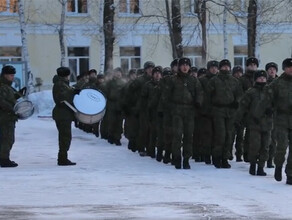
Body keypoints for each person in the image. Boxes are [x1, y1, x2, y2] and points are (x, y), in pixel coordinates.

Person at [253, 58, 292, 185]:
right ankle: (279, 166)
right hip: (281, 118)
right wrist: (258, 114)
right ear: (284, 68)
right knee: (282, 146)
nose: (291, 69)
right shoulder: (277, 83)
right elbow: (265, 100)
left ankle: (290, 174)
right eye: (288, 67)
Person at [162, 57, 203, 169]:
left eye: (187, 65)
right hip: (176, 111)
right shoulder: (172, 80)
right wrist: (169, 108)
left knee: (189, 136)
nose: (185, 67)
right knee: (177, 135)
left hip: (190, 111)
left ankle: (186, 158)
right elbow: (166, 95)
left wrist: (198, 102)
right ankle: (177, 157)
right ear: (179, 67)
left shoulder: (194, 80)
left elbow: (199, 93)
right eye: (183, 65)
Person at [235, 70, 272, 176]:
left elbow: (276, 103)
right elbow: (243, 106)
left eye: (264, 78)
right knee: (255, 145)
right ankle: (253, 164)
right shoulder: (251, 92)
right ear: (255, 79)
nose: (262, 79)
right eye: (260, 78)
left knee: (265, 146)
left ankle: (261, 166)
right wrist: (238, 119)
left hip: (267, 123)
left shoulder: (270, 91)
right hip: (254, 122)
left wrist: (272, 110)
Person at [207, 59, 242, 168]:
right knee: (220, 135)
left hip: (230, 111)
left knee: (229, 135)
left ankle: (225, 157)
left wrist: (237, 102)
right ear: (220, 68)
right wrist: (210, 109)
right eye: (223, 66)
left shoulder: (234, 81)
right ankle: (217, 156)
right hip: (218, 110)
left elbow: (239, 94)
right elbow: (208, 95)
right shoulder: (214, 81)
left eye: (227, 66)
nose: (226, 68)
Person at [52, 67, 79, 166]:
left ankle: (63, 157)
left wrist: (74, 91)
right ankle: (62, 159)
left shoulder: (62, 84)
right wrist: (73, 93)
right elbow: (62, 98)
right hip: (62, 114)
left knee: (65, 137)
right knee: (65, 137)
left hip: (63, 114)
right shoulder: (60, 84)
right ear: (66, 75)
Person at [0, 65, 26, 167]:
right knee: (7, 139)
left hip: (7, 116)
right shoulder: (2, 86)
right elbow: (2, 102)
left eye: (13, 75)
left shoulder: (7, 86)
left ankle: (3, 158)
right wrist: (14, 110)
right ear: (5, 75)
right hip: (5, 117)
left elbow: (9, 99)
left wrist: (17, 94)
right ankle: (4, 159)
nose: (12, 77)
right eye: (11, 75)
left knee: (6, 138)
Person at [196, 60, 219, 164]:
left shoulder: (220, 80)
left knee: (217, 134)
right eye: (212, 67)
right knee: (206, 134)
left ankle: (215, 154)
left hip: (218, 111)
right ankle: (205, 154)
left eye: (215, 67)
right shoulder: (202, 80)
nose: (214, 69)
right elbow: (199, 94)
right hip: (205, 112)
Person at [265, 62, 278, 168]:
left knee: (273, 139)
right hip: (264, 115)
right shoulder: (262, 82)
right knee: (264, 139)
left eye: (273, 69)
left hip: (277, 115)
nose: (272, 71)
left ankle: (270, 160)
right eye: (269, 69)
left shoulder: (280, 83)